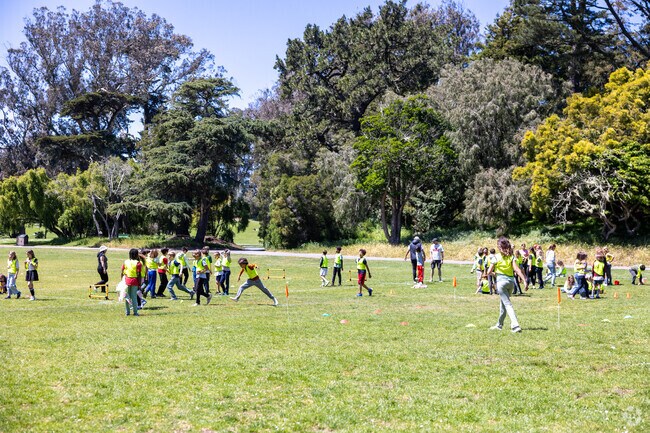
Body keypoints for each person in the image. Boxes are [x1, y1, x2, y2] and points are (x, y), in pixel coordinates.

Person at [487, 237, 528, 333]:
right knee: (503, 304)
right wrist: (524, 280)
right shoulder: (512, 257)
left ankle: (515, 325)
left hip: (501, 283)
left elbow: (489, 271)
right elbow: (517, 270)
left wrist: (496, 274)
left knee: (508, 304)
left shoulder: (496, 257)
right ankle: (499, 325)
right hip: (511, 283)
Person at [121, 248, 142, 316]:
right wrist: (139, 284)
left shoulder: (126, 261)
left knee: (127, 297)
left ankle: (127, 312)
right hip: (134, 281)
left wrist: (122, 281)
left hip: (127, 280)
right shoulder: (138, 263)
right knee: (134, 297)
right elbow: (139, 274)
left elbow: (122, 271)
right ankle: (135, 312)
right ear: (136, 255)